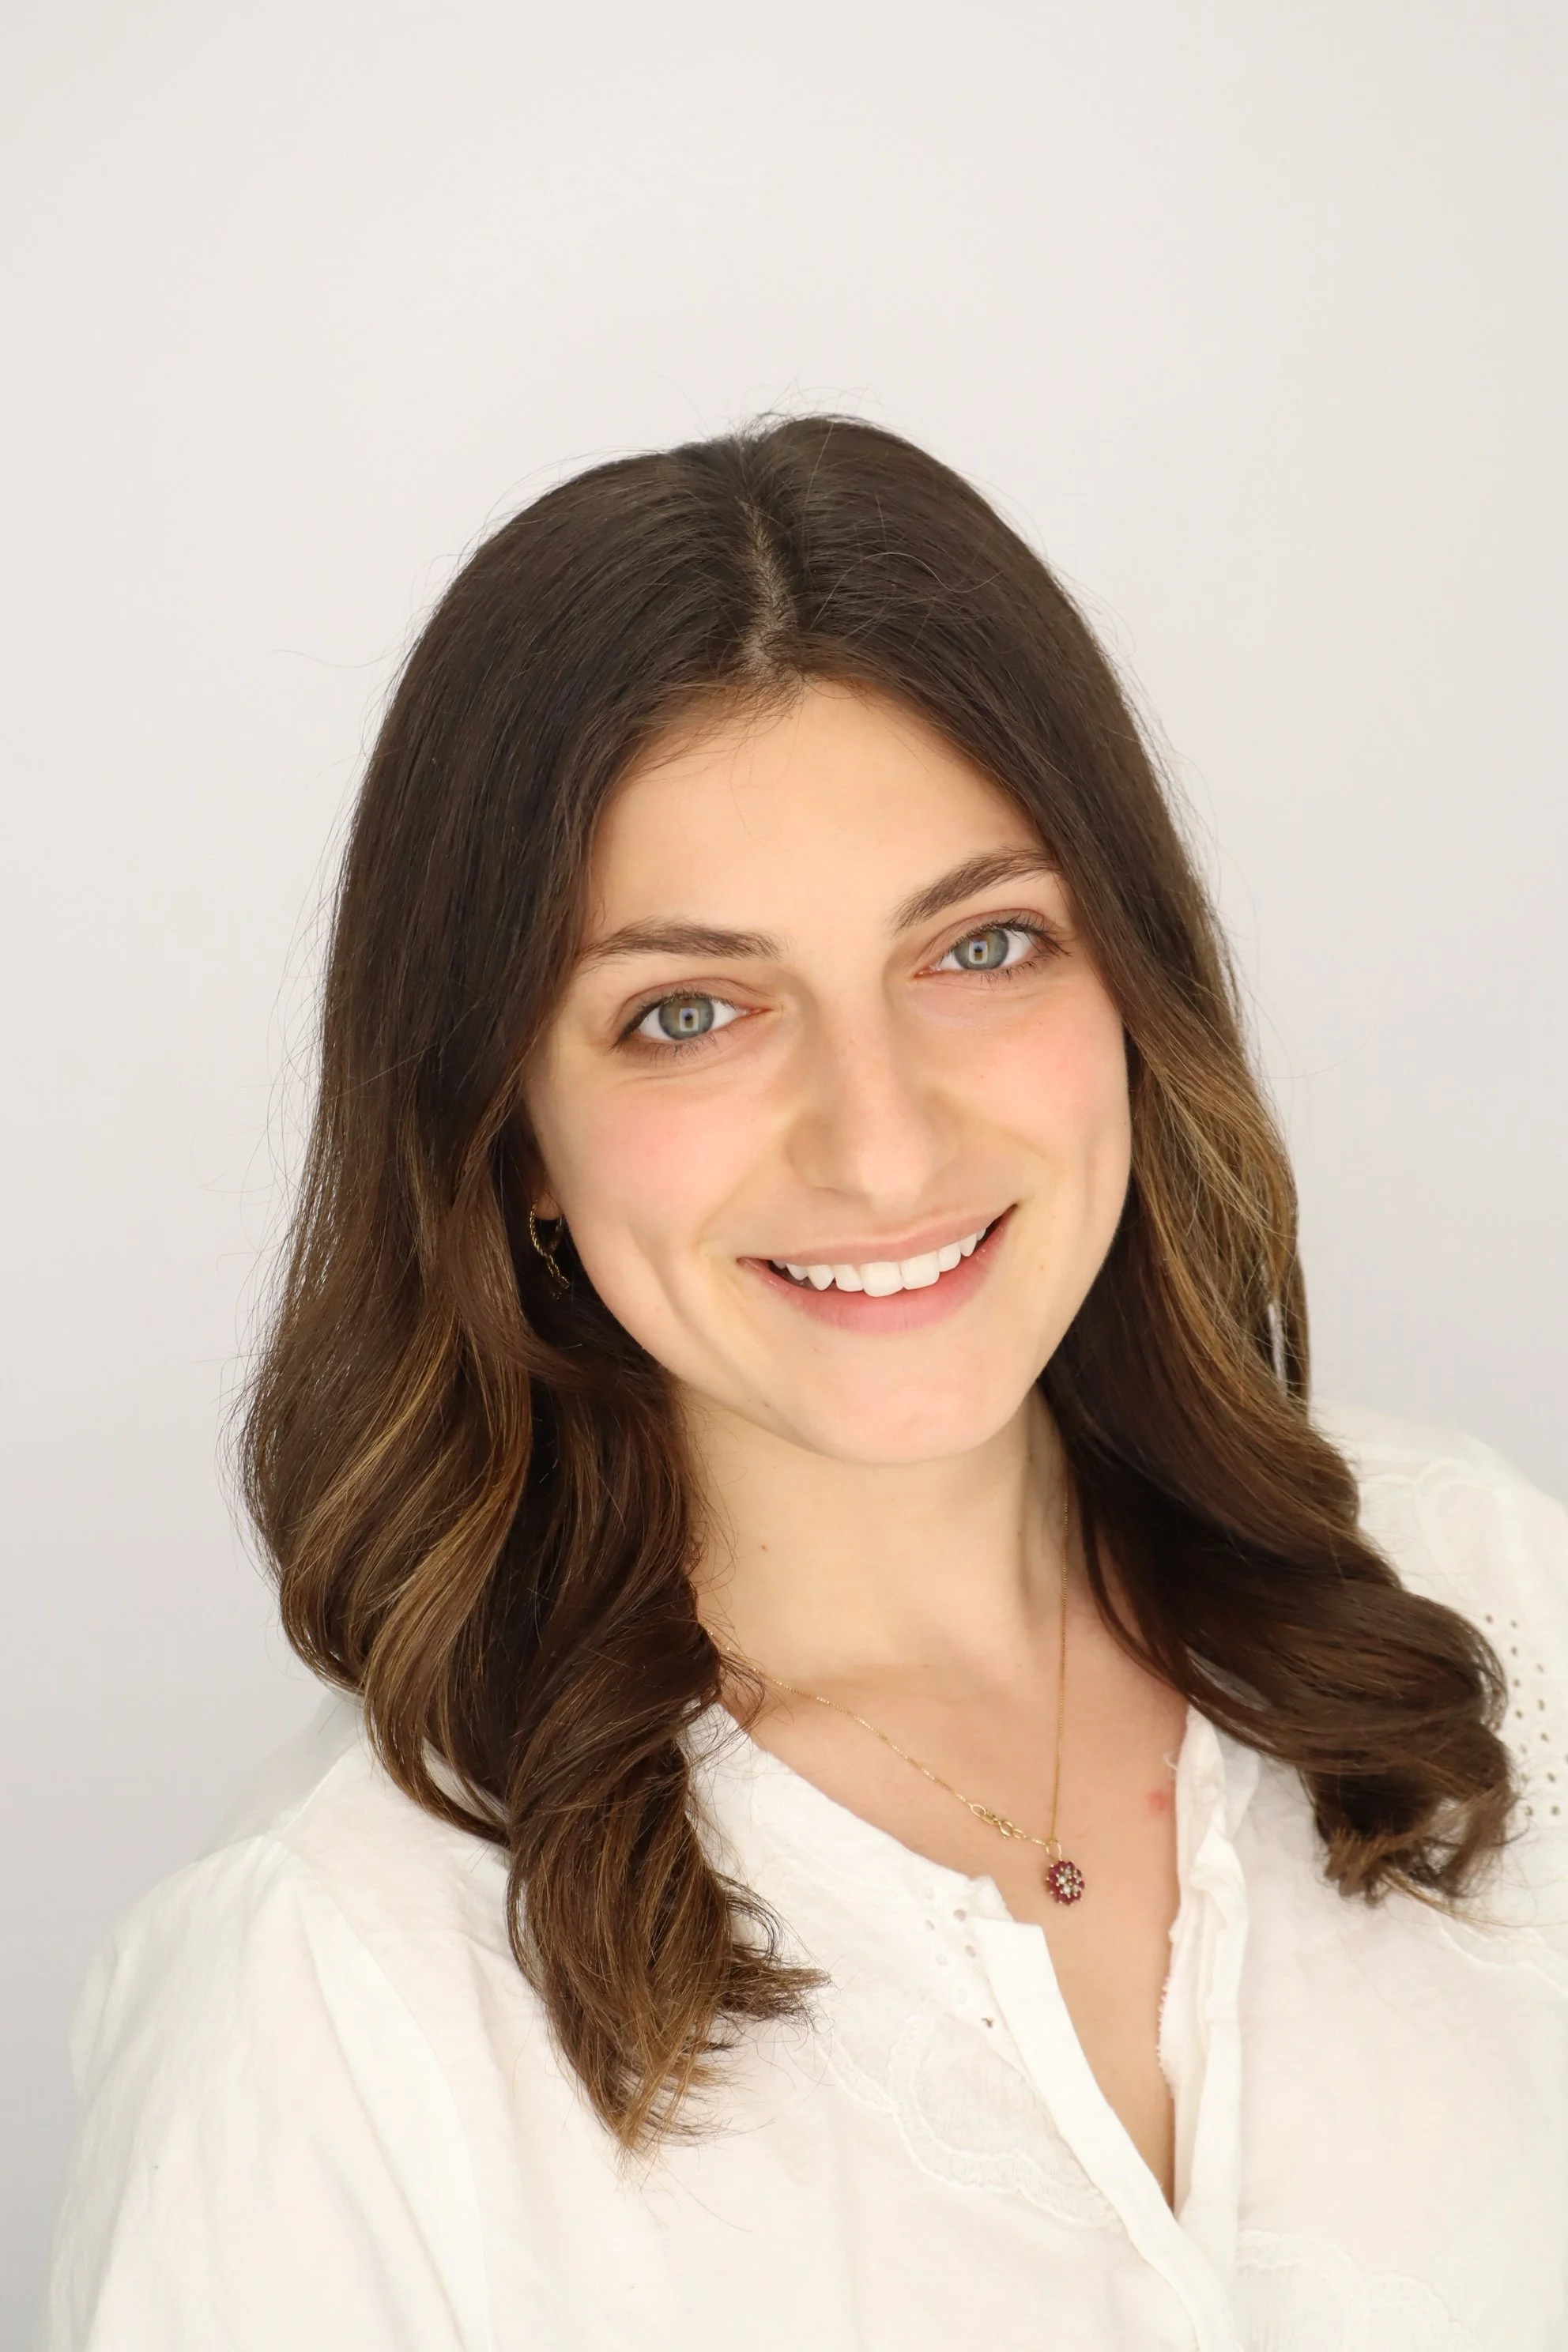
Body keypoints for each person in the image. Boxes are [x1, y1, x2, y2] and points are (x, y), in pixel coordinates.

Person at [44, 417, 1568, 2351]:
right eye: (689, 1012)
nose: (880, 1141)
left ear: (1131, 984)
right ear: (509, 1133)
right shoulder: (329, 2002)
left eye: (981, 946)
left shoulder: (1495, 1602)